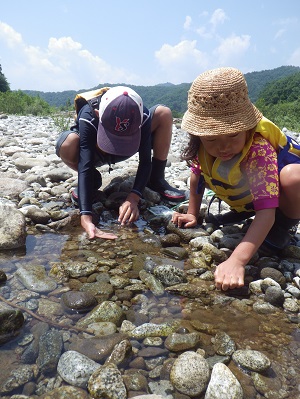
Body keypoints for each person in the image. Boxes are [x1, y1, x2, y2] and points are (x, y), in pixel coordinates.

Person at [172, 67, 300, 291]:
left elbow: (266, 212)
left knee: (293, 178)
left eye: (232, 135)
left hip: (279, 200)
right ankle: (247, 216)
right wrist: (192, 213)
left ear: (247, 128)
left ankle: (282, 228)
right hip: (250, 197)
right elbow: (196, 178)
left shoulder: (259, 148)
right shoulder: (201, 149)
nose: (223, 147)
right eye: (211, 139)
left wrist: (237, 260)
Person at [56, 86, 185, 240]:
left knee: (163, 113)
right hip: (96, 152)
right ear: (98, 115)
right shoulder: (88, 114)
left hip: (128, 148)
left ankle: (156, 179)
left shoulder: (142, 115)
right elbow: (84, 162)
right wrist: (86, 217)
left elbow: (145, 161)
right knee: (67, 143)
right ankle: (92, 180)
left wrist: (133, 197)